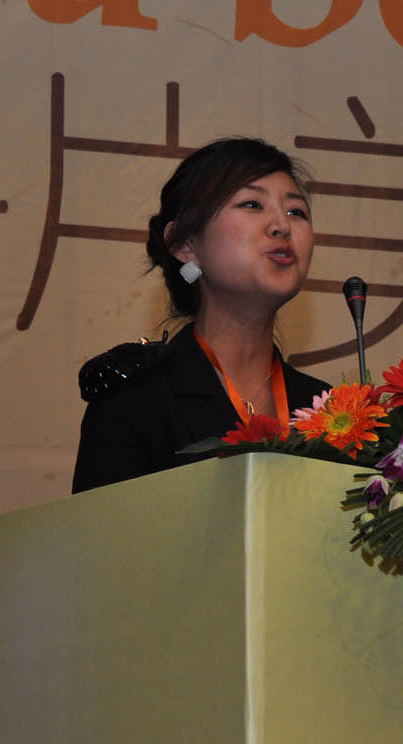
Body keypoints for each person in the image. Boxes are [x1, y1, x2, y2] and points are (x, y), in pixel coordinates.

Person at [72, 136, 330, 492]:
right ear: (185, 244)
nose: (281, 226)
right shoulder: (135, 402)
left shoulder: (332, 412)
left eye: (295, 211)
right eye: (252, 204)